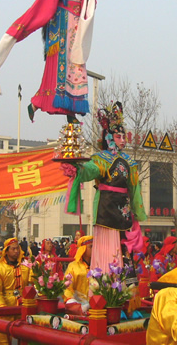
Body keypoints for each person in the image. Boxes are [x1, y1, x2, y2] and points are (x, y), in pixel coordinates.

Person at [67, 102, 147, 272]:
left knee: (124, 249)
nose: (123, 141)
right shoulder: (101, 159)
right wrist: (78, 167)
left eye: (124, 137)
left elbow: (135, 190)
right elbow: (90, 171)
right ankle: (104, 280)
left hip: (124, 210)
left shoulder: (130, 162)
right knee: (107, 248)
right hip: (106, 208)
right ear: (108, 138)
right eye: (118, 137)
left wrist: (137, 214)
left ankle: (123, 283)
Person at [0, 238, 31, 345]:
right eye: (13, 249)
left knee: (24, 335)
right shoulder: (0, 268)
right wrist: (2, 307)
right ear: (6, 251)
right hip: (6, 304)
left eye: (17, 248)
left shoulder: (25, 267)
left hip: (23, 304)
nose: (16, 251)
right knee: (4, 337)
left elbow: (35, 281)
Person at [63, 235, 92, 315]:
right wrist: (71, 300)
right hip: (78, 303)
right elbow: (67, 288)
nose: (94, 249)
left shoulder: (97, 265)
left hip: (95, 304)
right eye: (91, 247)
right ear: (84, 249)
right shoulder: (73, 266)